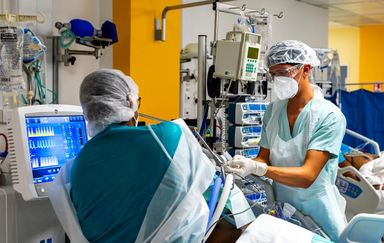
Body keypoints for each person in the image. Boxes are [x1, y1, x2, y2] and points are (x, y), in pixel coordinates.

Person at [47, 69, 215, 243]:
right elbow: (208, 181)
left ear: (88, 110)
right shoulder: (167, 137)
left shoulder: (76, 168)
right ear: (131, 102)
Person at [225, 40, 347, 241]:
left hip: (319, 213)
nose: (278, 79)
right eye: (273, 74)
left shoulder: (329, 116)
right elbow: (264, 158)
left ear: (305, 69)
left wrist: (260, 170)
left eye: (284, 72)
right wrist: (245, 166)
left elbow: (307, 176)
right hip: (284, 212)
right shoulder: (273, 111)